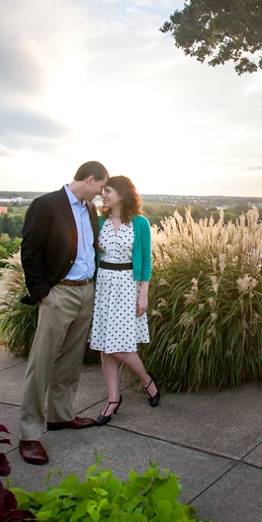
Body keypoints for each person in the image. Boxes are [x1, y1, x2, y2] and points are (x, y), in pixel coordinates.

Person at [17, 161, 108, 465]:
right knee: (41, 362)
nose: (100, 194)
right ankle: (29, 434)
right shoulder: (46, 205)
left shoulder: (89, 209)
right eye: (100, 188)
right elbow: (29, 251)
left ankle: (60, 415)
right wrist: (43, 292)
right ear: (90, 179)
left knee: (71, 360)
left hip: (86, 292)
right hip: (59, 293)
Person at [89, 175, 159, 425]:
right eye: (103, 191)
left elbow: (146, 262)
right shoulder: (99, 221)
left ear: (122, 193)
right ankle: (113, 398)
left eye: (108, 191)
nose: (103, 195)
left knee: (121, 347)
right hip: (104, 285)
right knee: (106, 346)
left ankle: (146, 380)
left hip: (128, 285)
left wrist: (143, 293)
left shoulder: (140, 223)